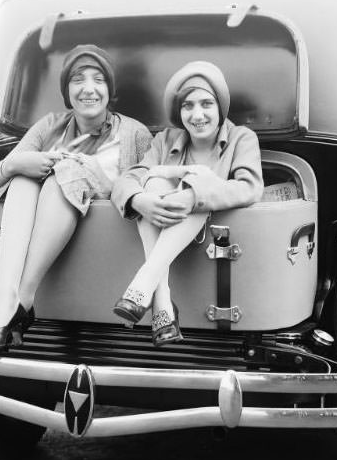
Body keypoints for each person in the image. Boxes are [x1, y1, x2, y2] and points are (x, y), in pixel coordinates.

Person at [0, 44, 152, 360]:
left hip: (107, 249)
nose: (88, 89)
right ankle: (6, 303)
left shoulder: (134, 134)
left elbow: (138, 190)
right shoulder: (50, 125)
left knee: (65, 169)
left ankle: (22, 298)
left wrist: (92, 175)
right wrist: (14, 165)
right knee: (22, 176)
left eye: (98, 80)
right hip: (47, 228)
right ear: (67, 89)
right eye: (78, 79)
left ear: (109, 90)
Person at [111, 61, 263, 346]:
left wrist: (193, 195)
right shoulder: (165, 140)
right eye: (188, 106)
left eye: (206, 103)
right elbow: (128, 180)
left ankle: (147, 284)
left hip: (211, 256)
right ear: (179, 113)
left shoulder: (242, 138)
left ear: (220, 107)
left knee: (200, 183)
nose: (197, 114)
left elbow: (250, 187)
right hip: (162, 224)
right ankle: (162, 298)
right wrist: (139, 200)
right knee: (153, 184)